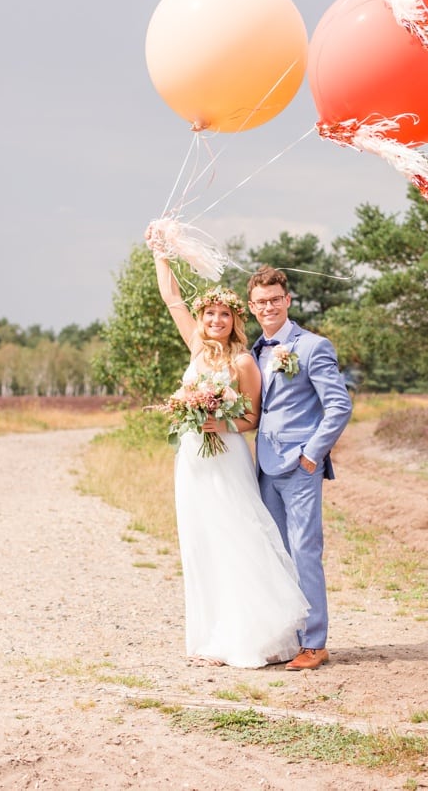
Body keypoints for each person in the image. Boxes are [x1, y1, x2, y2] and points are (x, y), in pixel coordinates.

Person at [152, 249, 309, 668]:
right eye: (210, 315)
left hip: (226, 456)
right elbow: (172, 299)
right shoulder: (196, 351)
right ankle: (216, 636)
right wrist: (160, 253)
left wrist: (219, 424)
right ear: (202, 320)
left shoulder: (244, 361)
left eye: (224, 314)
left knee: (238, 536)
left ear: (235, 320)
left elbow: (252, 418)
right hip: (192, 460)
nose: (216, 321)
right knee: (202, 542)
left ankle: (257, 635)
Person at [246, 265, 352, 671]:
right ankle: (287, 637)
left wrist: (313, 453)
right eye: (260, 302)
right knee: (277, 553)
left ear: (287, 300)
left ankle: (315, 642)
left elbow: (339, 405)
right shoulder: (256, 351)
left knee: (305, 551)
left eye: (275, 299)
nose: (268, 307)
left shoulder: (311, 346)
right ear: (252, 307)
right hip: (264, 467)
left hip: (300, 466)